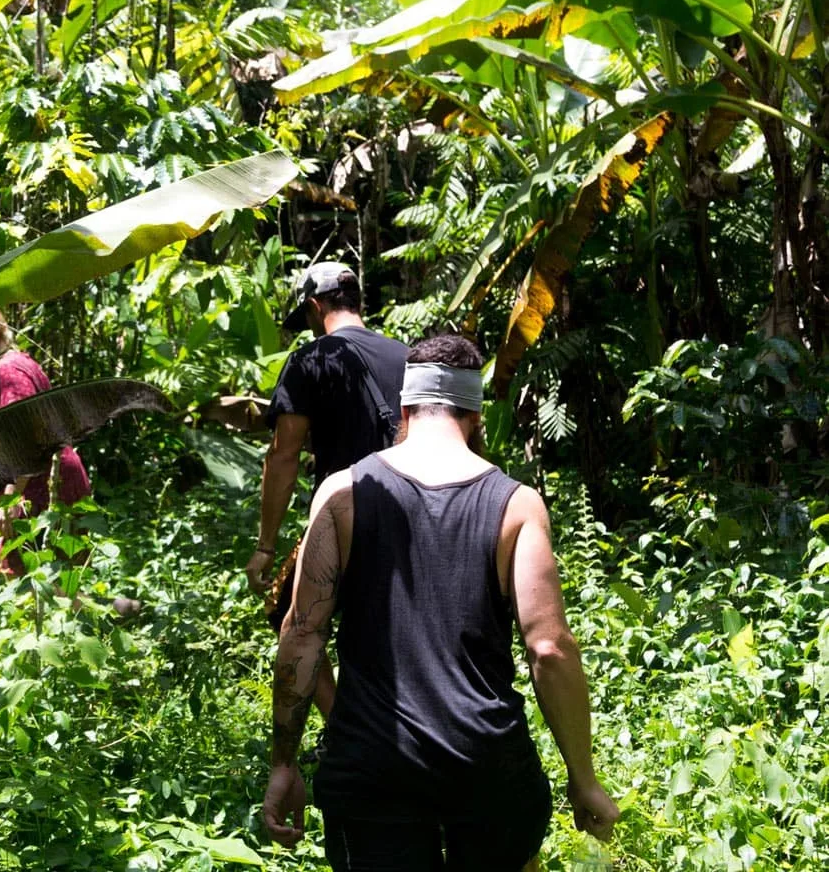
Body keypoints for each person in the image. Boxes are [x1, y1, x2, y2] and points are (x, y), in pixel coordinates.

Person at [261, 334, 619, 870]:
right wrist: (583, 778)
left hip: (373, 771)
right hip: (489, 769)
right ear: (475, 416)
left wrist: (284, 763)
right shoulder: (518, 506)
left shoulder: (340, 494)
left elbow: (302, 634)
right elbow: (548, 648)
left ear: (404, 409)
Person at [245, 261, 408, 719]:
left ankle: (342, 726)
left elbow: (284, 455)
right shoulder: (407, 356)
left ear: (316, 307)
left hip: (340, 519)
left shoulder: (310, 360)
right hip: (410, 515)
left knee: (291, 621)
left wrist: (265, 545)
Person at [0, 311, 139, 615]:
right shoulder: (19, 364)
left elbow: (29, 436)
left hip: (46, 485)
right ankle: (115, 612)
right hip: (50, 478)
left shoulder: (9, 370)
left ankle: (111, 615)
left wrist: (12, 498)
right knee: (56, 580)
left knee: (42, 585)